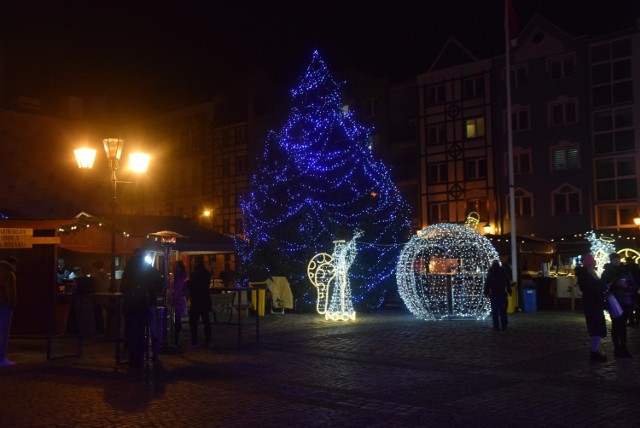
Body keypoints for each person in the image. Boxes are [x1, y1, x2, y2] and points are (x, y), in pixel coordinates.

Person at [120, 250, 163, 368]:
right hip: (144, 304)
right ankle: (146, 355)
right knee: (142, 331)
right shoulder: (148, 270)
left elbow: (122, 288)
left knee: (133, 332)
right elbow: (158, 284)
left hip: (131, 305)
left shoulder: (129, 270)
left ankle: (135, 358)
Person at [601, 252, 636, 358]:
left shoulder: (626, 270)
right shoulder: (606, 272)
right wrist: (615, 284)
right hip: (614, 301)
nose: (616, 260)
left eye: (617, 258)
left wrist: (627, 286)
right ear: (611, 260)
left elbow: (634, 284)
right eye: (614, 259)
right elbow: (603, 286)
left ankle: (624, 348)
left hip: (626, 301)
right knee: (616, 325)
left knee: (623, 326)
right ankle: (617, 348)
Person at [575, 254, 608, 362]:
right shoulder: (586, 275)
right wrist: (603, 287)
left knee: (596, 328)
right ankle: (594, 352)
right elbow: (592, 288)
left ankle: (595, 351)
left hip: (593, 303)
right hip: (592, 303)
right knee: (596, 327)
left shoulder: (587, 274)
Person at [188, 256, 212, 348]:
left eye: (194, 261)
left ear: (196, 262)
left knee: (193, 321)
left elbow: (192, 285)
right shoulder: (206, 273)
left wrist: (188, 284)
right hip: (205, 299)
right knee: (206, 320)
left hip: (197, 300)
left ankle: (194, 340)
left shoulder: (195, 274)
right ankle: (208, 339)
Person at [483, 259, 511, 331]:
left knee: (495, 311)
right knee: (503, 311)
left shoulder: (491, 272)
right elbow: (507, 282)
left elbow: (487, 283)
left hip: (494, 294)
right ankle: (504, 325)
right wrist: (509, 290)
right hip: (502, 294)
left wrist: (486, 292)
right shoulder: (503, 271)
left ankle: (496, 326)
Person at [0, 257, 17, 367]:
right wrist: (12, 305)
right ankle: (1, 358)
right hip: (3, 306)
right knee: (3, 332)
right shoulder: (9, 274)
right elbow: (11, 292)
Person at [167, 260, 188, 348]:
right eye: (174, 266)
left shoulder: (184, 277)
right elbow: (166, 286)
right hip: (172, 300)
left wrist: (183, 293)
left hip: (179, 300)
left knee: (178, 320)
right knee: (172, 320)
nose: (175, 268)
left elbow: (187, 289)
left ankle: (176, 339)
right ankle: (172, 339)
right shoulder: (171, 277)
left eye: (177, 266)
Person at [624, 257, 640, 327]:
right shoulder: (637, 268)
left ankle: (631, 321)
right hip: (637, 289)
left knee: (630, 306)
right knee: (637, 306)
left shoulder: (626, 268)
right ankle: (638, 321)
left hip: (629, 289)